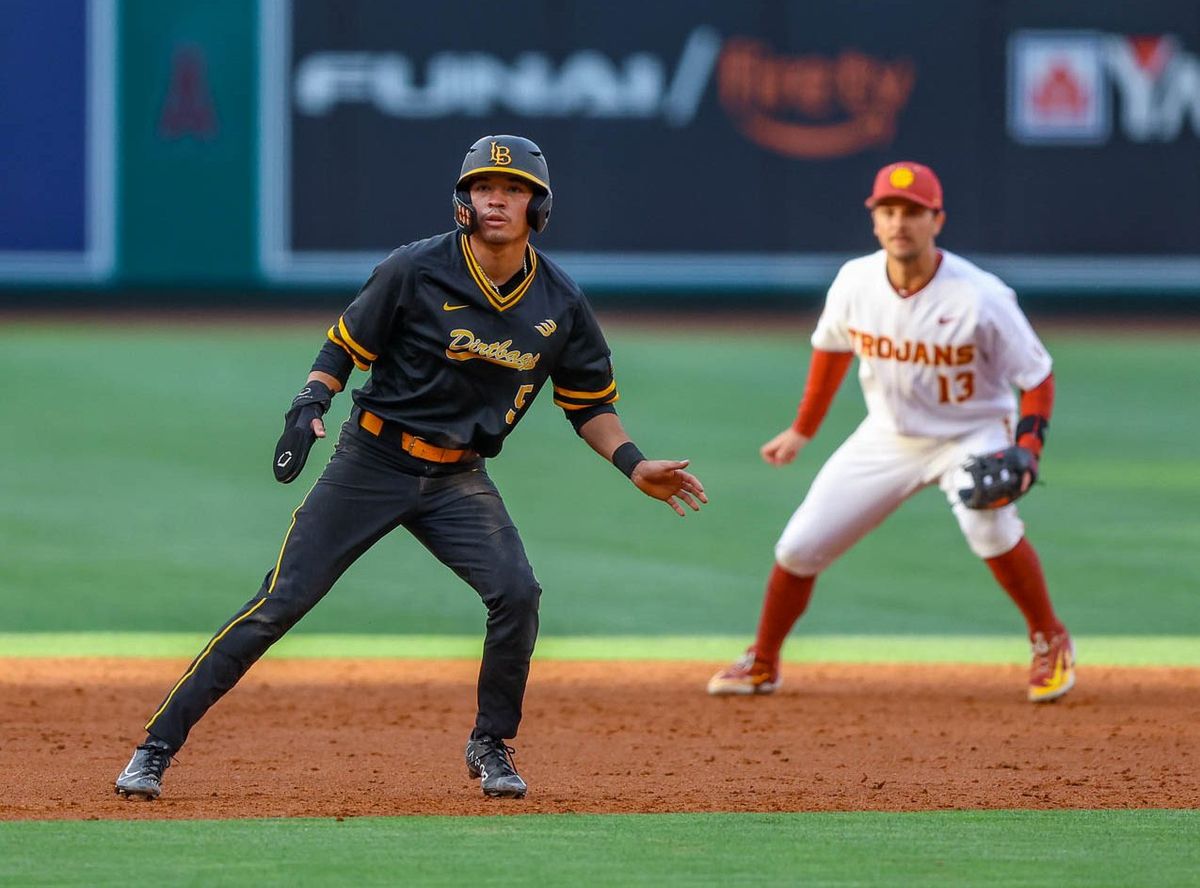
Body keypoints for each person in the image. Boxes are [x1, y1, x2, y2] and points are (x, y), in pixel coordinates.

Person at [115, 134, 707, 802]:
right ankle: (155, 748)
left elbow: (589, 403)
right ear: (464, 200)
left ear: (538, 207)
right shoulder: (415, 269)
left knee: (517, 593)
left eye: (513, 191)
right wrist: (311, 399)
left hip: (457, 480)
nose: (497, 200)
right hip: (371, 460)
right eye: (485, 187)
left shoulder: (560, 303)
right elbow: (344, 344)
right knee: (281, 602)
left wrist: (633, 464)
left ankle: (490, 743)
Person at [707, 161, 1073, 704]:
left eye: (913, 212)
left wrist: (1027, 449)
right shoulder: (856, 281)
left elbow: (1036, 375)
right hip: (889, 435)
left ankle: (1050, 638)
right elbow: (831, 351)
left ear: (937, 220)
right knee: (799, 547)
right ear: (875, 221)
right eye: (889, 211)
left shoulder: (981, 296)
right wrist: (802, 431)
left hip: (971, 433)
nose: (900, 222)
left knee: (988, 528)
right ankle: (762, 661)